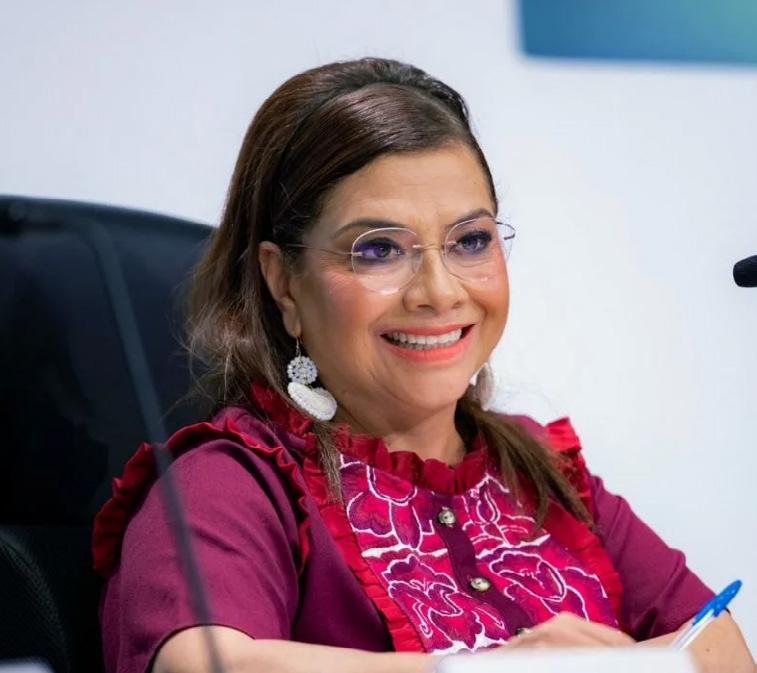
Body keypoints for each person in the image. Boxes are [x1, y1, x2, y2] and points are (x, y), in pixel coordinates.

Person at [91, 58, 754, 673]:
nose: (438, 291)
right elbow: (203, 664)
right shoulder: (230, 479)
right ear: (283, 282)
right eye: (379, 249)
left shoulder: (542, 472)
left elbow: (720, 645)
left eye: (470, 240)